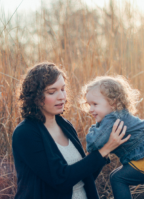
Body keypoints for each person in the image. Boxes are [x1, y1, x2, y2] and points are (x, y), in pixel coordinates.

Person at [12, 62, 131, 199]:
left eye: (63, 89)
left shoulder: (65, 125)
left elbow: (85, 176)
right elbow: (61, 180)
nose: (61, 96)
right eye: (52, 92)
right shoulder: (26, 133)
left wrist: (105, 149)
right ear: (36, 97)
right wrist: (104, 149)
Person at [82, 75, 144, 199]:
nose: (90, 109)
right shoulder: (119, 115)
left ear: (113, 102)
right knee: (116, 175)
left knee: (117, 179)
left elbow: (92, 144)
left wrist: (94, 127)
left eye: (95, 104)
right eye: (89, 104)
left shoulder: (111, 119)